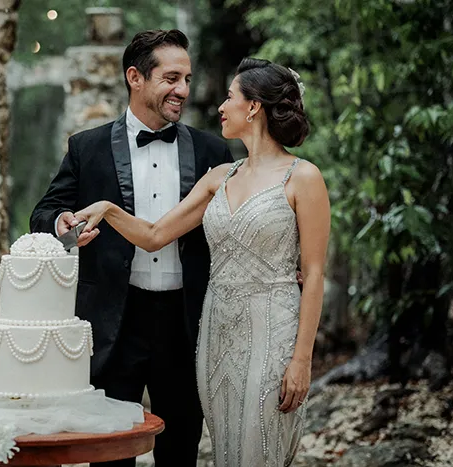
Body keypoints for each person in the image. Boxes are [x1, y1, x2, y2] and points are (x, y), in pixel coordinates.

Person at [74, 58, 330, 466]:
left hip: (272, 331)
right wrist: (108, 209)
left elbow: (314, 274)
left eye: (229, 97)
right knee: (226, 448)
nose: (220, 107)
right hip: (215, 335)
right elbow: (155, 235)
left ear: (253, 107)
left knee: (261, 447)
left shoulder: (304, 177)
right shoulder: (219, 177)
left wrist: (302, 360)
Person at [29, 30, 233, 466]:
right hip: (113, 323)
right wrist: (63, 223)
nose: (183, 90)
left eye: (187, 79)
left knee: (180, 452)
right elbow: (44, 212)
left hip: (185, 323)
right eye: (171, 78)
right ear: (135, 77)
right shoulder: (87, 147)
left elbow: (238, 223)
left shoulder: (213, 150)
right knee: (109, 453)